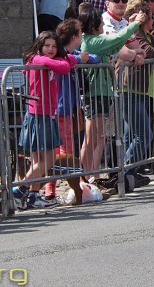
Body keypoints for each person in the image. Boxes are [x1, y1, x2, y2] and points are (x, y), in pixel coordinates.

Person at [78, 4, 145, 177]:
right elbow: (117, 39)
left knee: (97, 137)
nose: (102, 25)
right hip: (95, 94)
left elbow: (117, 43)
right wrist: (135, 24)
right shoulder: (94, 41)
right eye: (100, 22)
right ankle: (85, 177)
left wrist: (129, 31)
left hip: (101, 94)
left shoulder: (96, 41)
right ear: (94, 25)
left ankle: (92, 175)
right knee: (91, 138)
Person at [13, 31, 77, 209]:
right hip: (39, 114)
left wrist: (66, 59)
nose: (50, 49)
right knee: (47, 160)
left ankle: (33, 195)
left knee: (39, 161)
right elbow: (65, 66)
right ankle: (19, 190)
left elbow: (70, 60)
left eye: (54, 46)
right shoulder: (37, 59)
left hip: (46, 114)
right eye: (47, 45)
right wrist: (65, 60)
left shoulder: (51, 61)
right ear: (40, 46)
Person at [39, 19, 97, 202]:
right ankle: (68, 187)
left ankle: (59, 187)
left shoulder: (70, 54)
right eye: (80, 33)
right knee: (64, 151)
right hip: (59, 107)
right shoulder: (60, 57)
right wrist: (80, 59)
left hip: (67, 108)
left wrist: (83, 58)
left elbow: (94, 58)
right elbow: (68, 62)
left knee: (59, 150)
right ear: (74, 36)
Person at [121, 3, 154, 190]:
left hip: (142, 90)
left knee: (131, 136)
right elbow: (151, 52)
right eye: (151, 17)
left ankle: (130, 175)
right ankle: (122, 173)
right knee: (143, 135)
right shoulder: (135, 33)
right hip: (131, 89)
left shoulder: (147, 34)